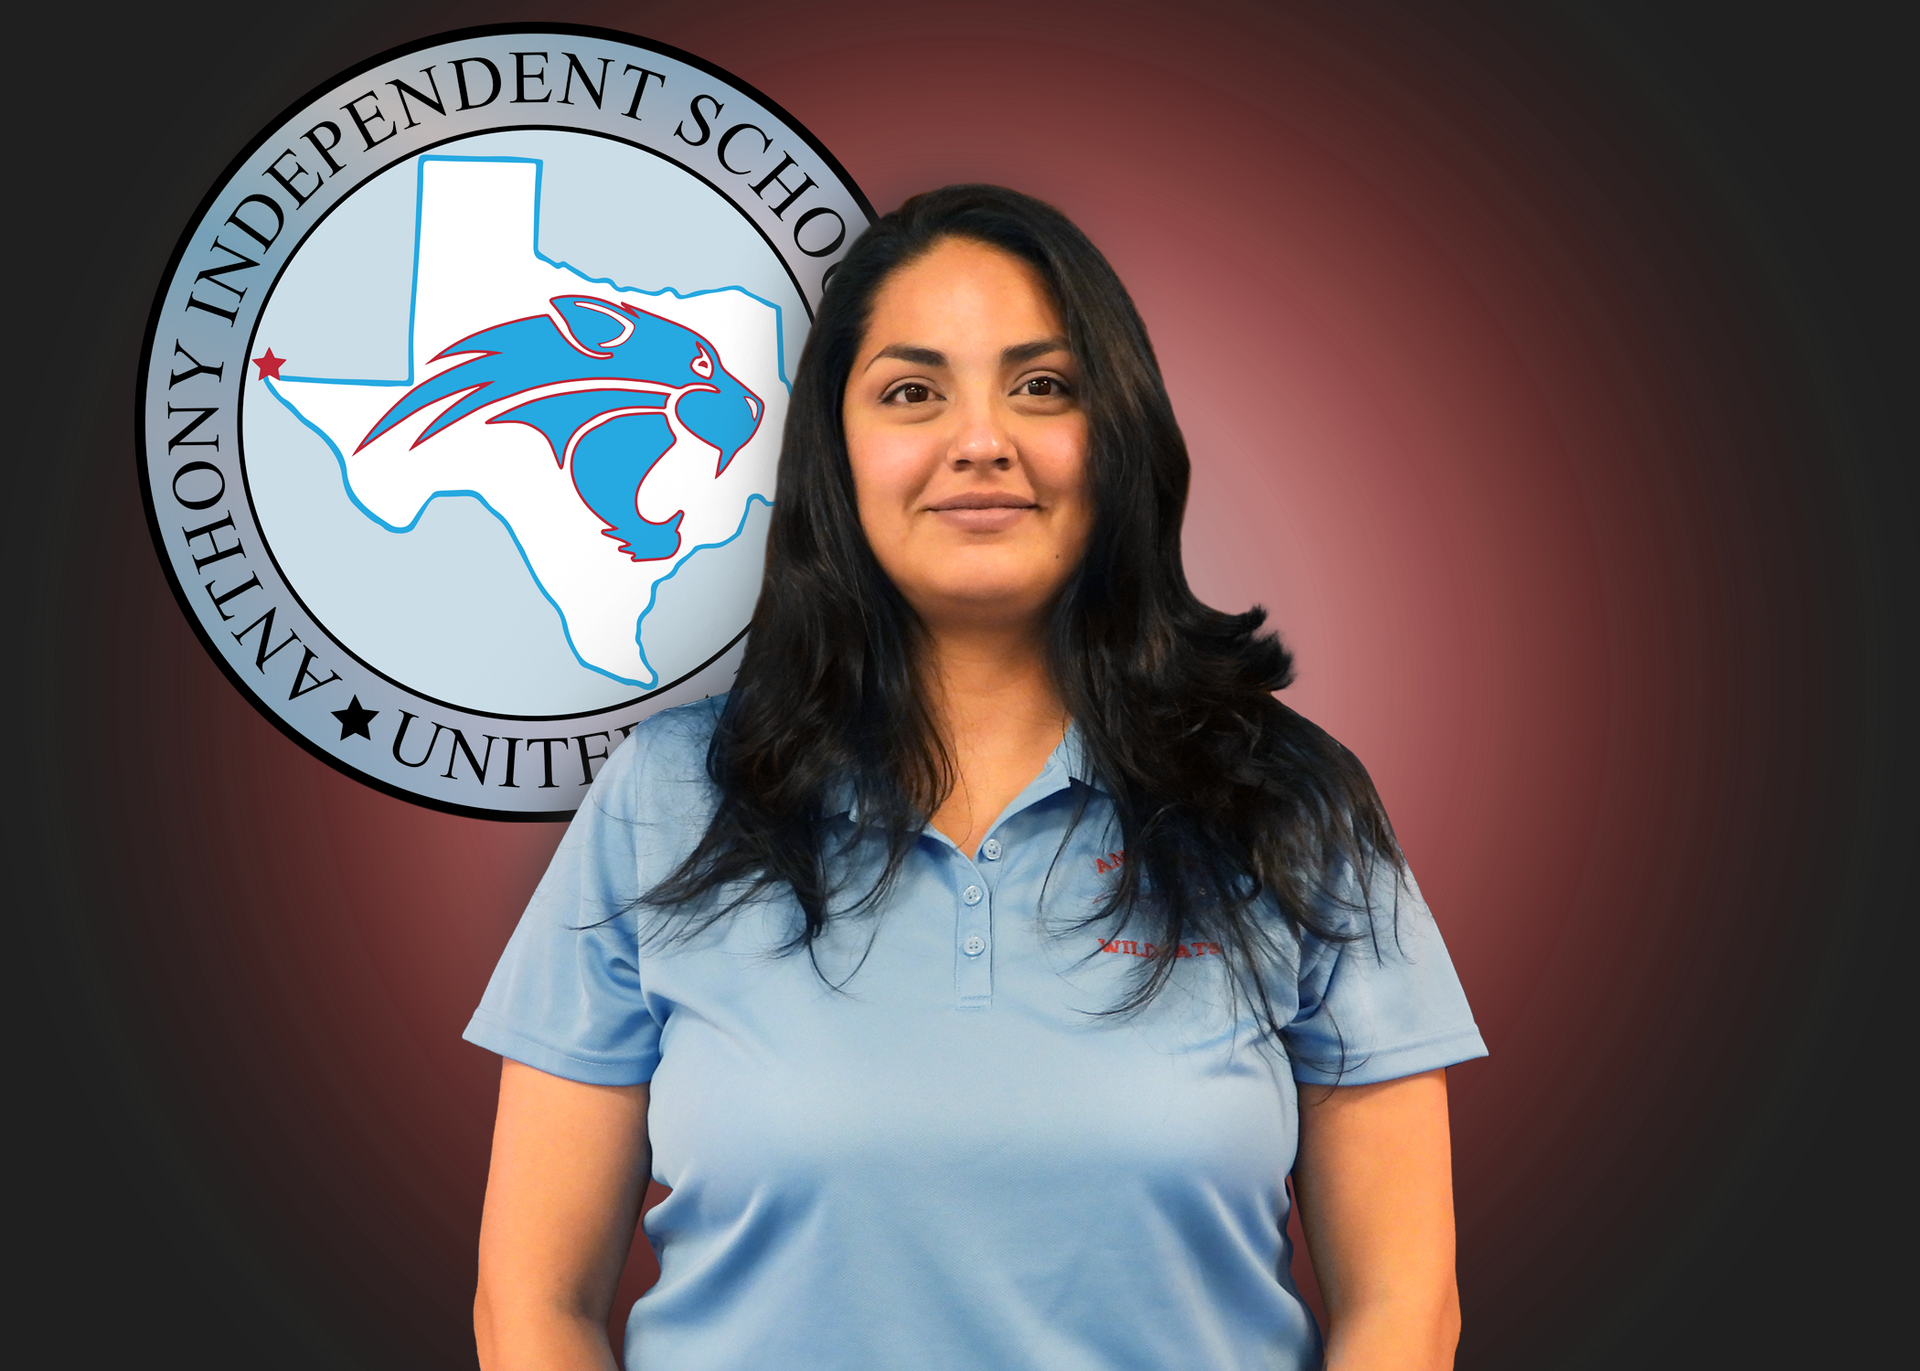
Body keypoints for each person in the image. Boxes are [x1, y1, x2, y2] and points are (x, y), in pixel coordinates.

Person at [465, 184, 1486, 1371]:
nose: (982, 439)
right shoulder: (667, 799)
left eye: (1043, 386)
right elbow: (530, 1306)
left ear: (1122, 434)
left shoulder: (1290, 802)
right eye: (911, 392)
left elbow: (1407, 1310)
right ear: (834, 455)